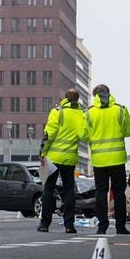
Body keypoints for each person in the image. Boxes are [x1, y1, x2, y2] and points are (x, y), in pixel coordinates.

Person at [84, 82, 130, 235]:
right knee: (119, 193)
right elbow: (129, 131)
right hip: (117, 159)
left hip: (99, 160)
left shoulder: (89, 113)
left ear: (95, 96)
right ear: (108, 93)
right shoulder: (120, 110)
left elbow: (83, 134)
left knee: (100, 193)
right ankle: (120, 226)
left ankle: (102, 226)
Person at [36, 87, 86, 234]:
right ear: (77, 99)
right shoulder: (81, 114)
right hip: (70, 158)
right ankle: (69, 225)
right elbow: (83, 135)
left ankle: (45, 223)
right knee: (69, 190)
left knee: (48, 189)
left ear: (65, 98)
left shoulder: (57, 111)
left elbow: (49, 134)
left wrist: (42, 153)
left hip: (53, 157)